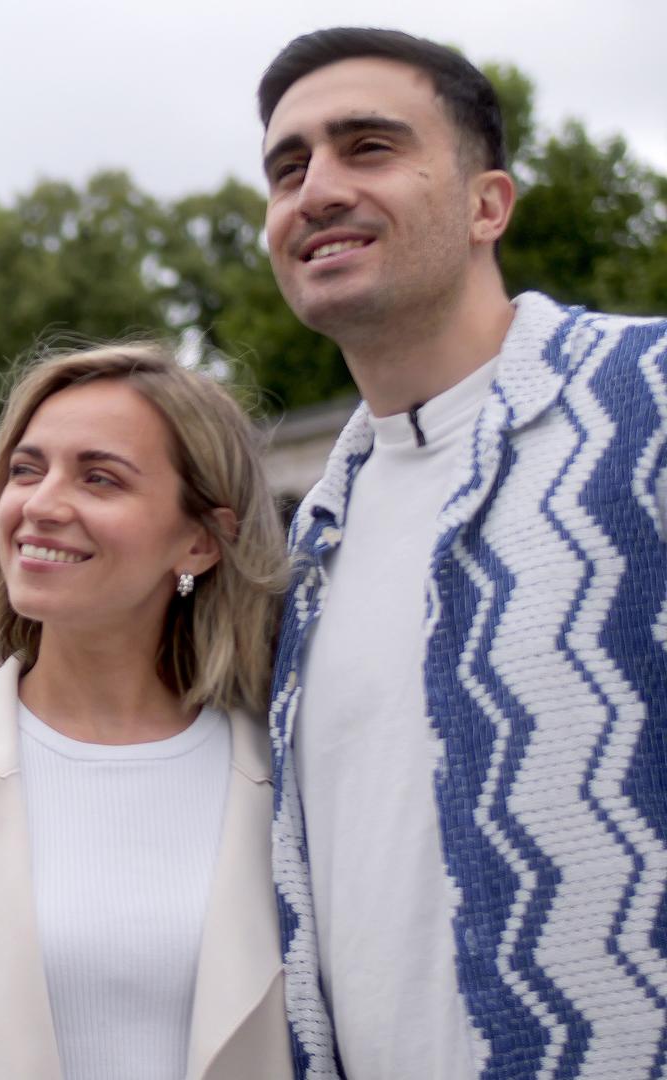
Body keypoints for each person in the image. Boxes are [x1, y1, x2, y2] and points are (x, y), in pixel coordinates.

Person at [256, 28, 667, 1080]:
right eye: (288, 166)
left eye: (369, 148)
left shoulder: (650, 398)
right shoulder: (313, 540)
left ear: (490, 205)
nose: (317, 190)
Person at [0, 343, 292, 1080]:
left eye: (99, 478)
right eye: (25, 470)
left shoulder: (288, 778)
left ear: (199, 542)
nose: (39, 504)